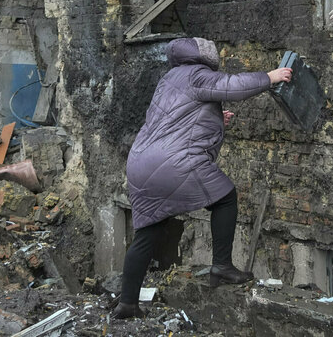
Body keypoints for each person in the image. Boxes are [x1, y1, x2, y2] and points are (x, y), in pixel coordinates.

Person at [112, 37, 293, 319]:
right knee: (225, 198)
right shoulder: (197, 74)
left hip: (140, 162)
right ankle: (221, 264)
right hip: (173, 162)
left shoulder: (169, 79)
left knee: (149, 231)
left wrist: (218, 120)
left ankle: (127, 303)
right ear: (205, 56)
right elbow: (232, 87)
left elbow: (178, 120)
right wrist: (270, 77)